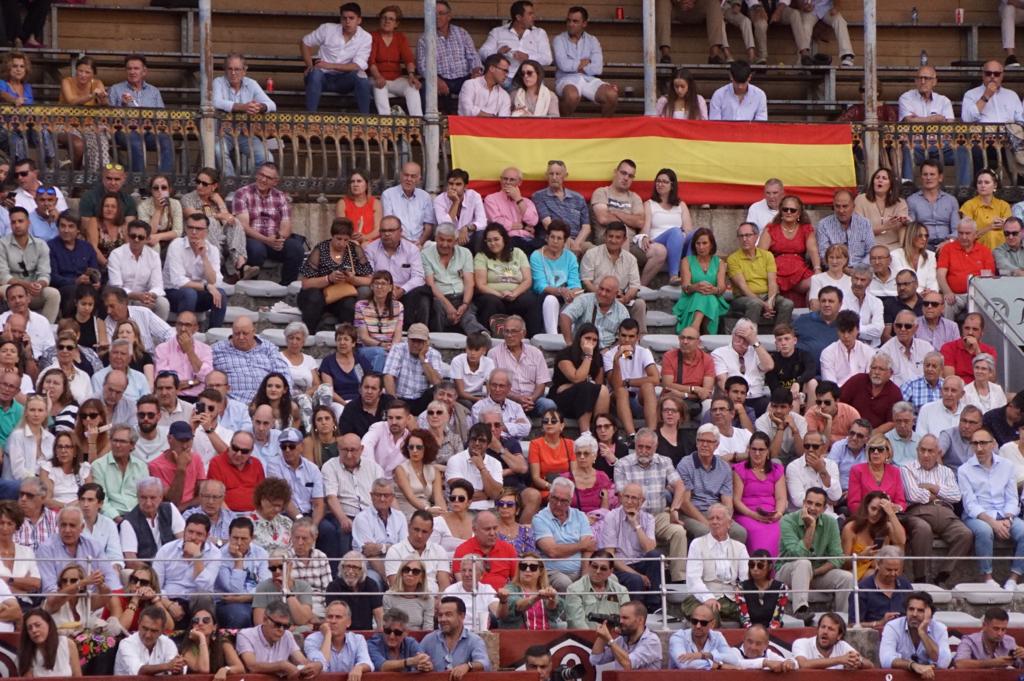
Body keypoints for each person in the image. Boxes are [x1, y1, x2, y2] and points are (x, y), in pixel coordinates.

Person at [958, 427, 1024, 590]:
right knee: (984, 531)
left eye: (983, 443)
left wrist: (1008, 518)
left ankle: (1014, 578)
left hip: (1005, 514)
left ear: (993, 444)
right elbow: (970, 504)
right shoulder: (964, 470)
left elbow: (1012, 498)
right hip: (978, 516)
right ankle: (986, 577)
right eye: (975, 443)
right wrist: (993, 523)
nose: (979, 448)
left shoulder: (1007, 466)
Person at [777, 488, 853, 620]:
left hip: (817, 572)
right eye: (809, 503)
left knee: (846, 577)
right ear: (803, 503)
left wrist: (814, 573)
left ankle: (843, 619)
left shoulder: (830, 523)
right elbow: (798, 554)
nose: (812, 508)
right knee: (803, 563)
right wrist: (811, 527)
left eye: (818, 505)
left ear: (824, 509)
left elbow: (837, 557)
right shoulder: (788, 520)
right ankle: (800, 610)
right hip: (788, 570)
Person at [232, 162, 305, 286]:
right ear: (257, 174)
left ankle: (286, 287)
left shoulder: (280, 196)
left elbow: (286, 224)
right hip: (251, 238)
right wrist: (266, 240)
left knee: (296, 248)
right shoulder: (242, 193)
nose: (263, 179)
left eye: (268, 178)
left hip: (273, 239)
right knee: (257, 250)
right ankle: (249, 286)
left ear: (275, 182)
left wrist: (279, 239)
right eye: (261, 175)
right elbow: (243, 226)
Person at [296, 218, 372, 331]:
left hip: (341, 294)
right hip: (318, 293)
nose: (342, 243)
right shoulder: (321, 249)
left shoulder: (354, 249)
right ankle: (310, 333)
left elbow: (369, 279)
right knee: (314, 297)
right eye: (338, 239)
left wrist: (353, 279)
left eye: (346, 240)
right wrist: (329, 279)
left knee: (349, 304)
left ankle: (347, 335)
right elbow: (306, 283)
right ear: (332, 236)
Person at [681, 503, 748, 625]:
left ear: (729, 523)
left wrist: (742, 592)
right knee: (708, 612)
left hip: (731, 598)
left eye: (719, 518)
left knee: (755, 612)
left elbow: (746, 578)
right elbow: (693, 579)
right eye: (711, 518)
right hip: (702, 597)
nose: (714, 522)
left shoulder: (740, 547)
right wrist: (708, 598)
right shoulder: (697, 544)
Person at [300, 2, 372, 113]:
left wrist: (330, 65)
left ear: (359, 20)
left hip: (344, 80)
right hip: (321, 77)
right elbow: (305, 42)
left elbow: (357, 65)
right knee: (315, 73)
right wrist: (309, 65)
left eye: (351, 18)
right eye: (344, 18)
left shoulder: (366, 37)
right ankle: (310, 118)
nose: (347, 22)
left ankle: (365, 122)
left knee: (362, 77)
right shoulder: (327, 29)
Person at [106, 56, 174, 173]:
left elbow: (162, 116)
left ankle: (162, 180)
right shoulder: (116, 89)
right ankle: (139, 182)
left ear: (144, 71)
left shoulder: (154, 91)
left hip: (149, 131)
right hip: (124, 131)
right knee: (135, 142)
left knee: (166, 141)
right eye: (129, 69)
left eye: (136, 68)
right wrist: (123, 105)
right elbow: (108, 116)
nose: (132, 72)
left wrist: (151, 124)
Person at [180, 167, 249, 281]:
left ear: (214, 186)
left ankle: (240, 264)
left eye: (204, 184)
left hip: (220, 239)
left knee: (235, 222)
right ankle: (220, 265)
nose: (199, 186)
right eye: (198, 182)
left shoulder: (215, 200)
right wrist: (218, 215)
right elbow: (193, 216)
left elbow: (227, 220)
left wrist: (220, 202)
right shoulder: (188, 198)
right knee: (209, 221)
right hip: (197, 236)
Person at [416, 0, 482, 114]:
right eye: (434, 13)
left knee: (479, 85)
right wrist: (436, 80)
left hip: (463, 78)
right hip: (440, 78)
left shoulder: (462, 33)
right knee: (426, 88)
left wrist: (476, 71)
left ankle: (473, 125)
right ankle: (428, 125)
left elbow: (473, 55)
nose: (437, 17)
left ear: (449, 16)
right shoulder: (424, 38)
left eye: (441, 13)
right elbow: (422, 66)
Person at [727, 222, 795, 330]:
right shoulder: (733, 259)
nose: (744, 239)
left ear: (756, 236)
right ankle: (749, 338)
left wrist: (770, 302)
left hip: (767, 296)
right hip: (743, 298)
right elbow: (743, 288)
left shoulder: (767, 255)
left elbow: (772, 282)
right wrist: (764, 305)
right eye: (741, 236)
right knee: (754, 304)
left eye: (748, 235)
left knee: (787, 304)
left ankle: (780, 336)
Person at [553, 7, 618, 116]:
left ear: (584, 24)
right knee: (572, 96)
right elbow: (563, 65)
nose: (570, 24)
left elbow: (597, 68)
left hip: (589, 79)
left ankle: (605, 129)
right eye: (568, 20)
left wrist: (575, 65)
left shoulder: (592, 40)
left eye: (575, 21)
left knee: (611, 94)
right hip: (566, 80)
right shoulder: (559, 39)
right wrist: (582, 63)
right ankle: (563, 128)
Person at [533, 477, 594, 590]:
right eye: (555, 498)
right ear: (549, 496)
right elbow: (552, 551)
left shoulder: (580, 516)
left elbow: (589, 548)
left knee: (610, 579)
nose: (558, 504)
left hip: (580, 571)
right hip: (553, 572)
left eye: (564, 500)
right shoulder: (540, 519)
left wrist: (585, 576)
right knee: (565, 584)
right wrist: (581, 545)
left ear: (570, 501)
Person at [0, 208, 59, 324]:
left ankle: (45, 329)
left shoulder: (41, 245)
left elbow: (45, 274)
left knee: (53, 294)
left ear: (28, 222)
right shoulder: (2, 244)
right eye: (13, 222)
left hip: (33, 292)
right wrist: (25, 285)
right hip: (11, 289)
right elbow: (3, 276)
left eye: (20, 221)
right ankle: (12, 326)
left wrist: (39, 285)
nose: (17, 225)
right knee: (2, 289)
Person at [237, 601, 323, 677]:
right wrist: (281, 665)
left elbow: (302, 661)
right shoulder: (246, 635)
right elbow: (252, 666)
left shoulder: (287, 635)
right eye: (277, 624)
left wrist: (317, 665)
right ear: (264, 619)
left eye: (286, 626)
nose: (281, 630)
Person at [732, 433, 786, 554]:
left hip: (771, 516)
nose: (757, 453)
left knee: (779, 530)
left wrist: (778, 513)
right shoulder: (740, 469)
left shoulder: (776, 469)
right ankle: (758, 570)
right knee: (758, 534)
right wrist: (754, 515)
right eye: (754, 449)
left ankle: (774, 572)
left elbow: (781, 498)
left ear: (768, 451)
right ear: (749, 450)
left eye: (761, 450)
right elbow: (736, 500)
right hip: (747, 514)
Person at [879, 591, 952, 676]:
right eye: (911, 609)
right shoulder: (893, 626)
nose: (914, 614)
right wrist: (912, 665)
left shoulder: (940, 628)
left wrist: (922, 632)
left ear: (929, 613)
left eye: (920, 610)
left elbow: (943, 663)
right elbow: (885, 660)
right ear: (906, 610)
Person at [841, 489, 906, 581]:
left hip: (879, 570)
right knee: (874, 574)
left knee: (898, 547)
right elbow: (843, 564)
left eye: (880, 511)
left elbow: (902, 541)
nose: (876, 514)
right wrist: (861, 556)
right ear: (866, 507)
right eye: (873, 509)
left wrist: (891, 513)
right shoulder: (851, 527)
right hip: (854, 572)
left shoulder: (886, 526)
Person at [531, 221, 583, 335]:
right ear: (547, 238)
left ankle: (570, 339)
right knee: (551, 300)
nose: (555, 241)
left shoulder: (570, 257)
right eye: (552, 237)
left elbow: (575, 283)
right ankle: (553, 337)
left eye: (559, 238)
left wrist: (572, 293)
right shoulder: (537, 256)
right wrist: (560, 291)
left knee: (577, 299)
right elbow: (540, 285)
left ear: (564, 242)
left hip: (565, 297)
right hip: (543, 297)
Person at [937, 219, 995, 322]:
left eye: (967, 233)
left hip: (977, 295)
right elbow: (940, 274)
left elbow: (989, 278)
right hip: (955, 295)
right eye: (961, 233)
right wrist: (947, 292)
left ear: (975, 234)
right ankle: (948, 336)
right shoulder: (948, 248)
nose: (964, 237)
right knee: (947, 303)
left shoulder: (984, 251)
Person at [367, 6, 421, 117]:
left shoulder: (400, 38)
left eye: (391, 19)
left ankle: (418, 121)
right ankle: (387, 123)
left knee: (412, 87)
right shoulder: (373, 36)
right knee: (380, 87)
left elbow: (408, 59)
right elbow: (370, 61)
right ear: (380, 20)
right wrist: (378, 77)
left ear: (396, 24)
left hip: (396, 79)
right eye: (384, 18)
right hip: (376, 78)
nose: (387, 21)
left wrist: (411, 75)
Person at [479, 0, 552, 81]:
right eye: (530, 14)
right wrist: (497, 54)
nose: (533, 16)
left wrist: (528, 57)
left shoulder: (539, 33)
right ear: (518, 17)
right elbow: (482, 52)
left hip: (530, 78)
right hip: (505, 78)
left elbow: (548, 59)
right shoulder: (497, 32)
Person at [674, 227, 728, 333]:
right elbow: (686, 287)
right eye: (697, 243)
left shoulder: (719, 263)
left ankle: (694, 328)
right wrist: (696, 287)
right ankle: (703, 330)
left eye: (704, 243)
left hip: (714, 297)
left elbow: (722, 287)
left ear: (711, 244)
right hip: (691, 298)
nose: (701, 247)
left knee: (709, 297)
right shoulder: (686, 261)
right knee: (701, 295)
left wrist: (714, 290)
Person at [419, 596, 491, 673]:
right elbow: (415, 662)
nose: (443, 619)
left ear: (462, 616)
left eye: (448, 614)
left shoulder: (474, 640)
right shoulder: (429, 639)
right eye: (440, 615)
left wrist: (468, 666)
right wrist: (422, 665)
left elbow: (485, 664)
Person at [496, 552, 565, 629]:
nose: (527, 570)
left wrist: (552, 599)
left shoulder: (546, 588)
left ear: (540, 572)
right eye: (523, 566)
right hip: (520, 637)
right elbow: (517, 605)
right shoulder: (511, 588)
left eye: (533, 567)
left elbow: (552, 610)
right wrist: (537, 597)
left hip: (547, 636)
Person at [559, 275, 630, 349]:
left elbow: (627, 337)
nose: (603, 293)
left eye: (607, 291)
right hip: (581, 349)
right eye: (601, 288)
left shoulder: (622, 312)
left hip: (608, 353)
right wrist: (570, 344)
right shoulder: (584, 300)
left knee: (628, 354)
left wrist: (610, 350)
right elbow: (565, 316)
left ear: (616, 294)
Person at [303, 600, 374, 674]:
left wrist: (360, 667)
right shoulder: (312, 640)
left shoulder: (358, 640)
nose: (333, 621)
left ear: (348, 622)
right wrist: (327, 635)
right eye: (330, 617)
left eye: (338, 617)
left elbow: (367, 663)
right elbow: (320, 668)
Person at [588, 600, 662, 670]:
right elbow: (595, 661)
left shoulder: (652, 641)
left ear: (640, 620)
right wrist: (602, 636)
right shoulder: (622, 640)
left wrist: (609, 639)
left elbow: (628, 664)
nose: (620, 621)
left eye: (625, 618)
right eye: (620, 617)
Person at [850, 546, 912, 628]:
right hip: (874, 637)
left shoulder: (905, 585)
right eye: (889, 570)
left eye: (896, 570)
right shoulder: (862, 589)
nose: (893, 574)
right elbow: (852, 625)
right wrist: (879, 623)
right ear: (878, 564)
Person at [668, 603, 740, 669]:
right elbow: (684, 664)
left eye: (703, 623)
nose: (698, 626)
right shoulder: (678, 637)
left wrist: (705, 655)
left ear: (712, 624)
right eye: (694, 621)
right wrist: (719, 666)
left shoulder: (717, 636)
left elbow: (734, 660)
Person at [114, 606, 182, 675]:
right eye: (145, 628)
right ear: (138, 624)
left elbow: (175, 670)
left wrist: (178, 667)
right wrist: (167, 666)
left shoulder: (168, 643)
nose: (148, 635)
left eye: (154, 631)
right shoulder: (126, 644)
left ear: (162, 630)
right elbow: (139, 672)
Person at [792, 612, 873, 669]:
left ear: (839, 636)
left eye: (830, 629)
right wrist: (840, 660)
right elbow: (804, 665)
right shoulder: (801, 643)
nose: (825, 632)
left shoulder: (842, 645)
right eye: (823, 627)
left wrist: (858, 663)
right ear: (817, 629)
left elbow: (870, 665)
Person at [382, 162, 435, 247]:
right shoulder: (388, 195)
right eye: (406, 175)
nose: (409, 179)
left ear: (419, 178)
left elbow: (428, 226)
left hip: (421, 244)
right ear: (400, 175)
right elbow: (390, 225)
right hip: (397, 243)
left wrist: (420, 242)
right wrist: (408, 244)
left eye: (413, 176)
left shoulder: (425, 197)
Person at [18, 608, 82, 677]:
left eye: (37, 625)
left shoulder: (68, 644)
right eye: (30, 628)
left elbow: (77, 677)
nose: (34, 630)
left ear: (48, 624)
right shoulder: (26, 653)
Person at [954, 606, 1024, 669]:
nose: (1000, 633)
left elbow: (1020, 666)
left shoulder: (1009, 641)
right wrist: (993, 663)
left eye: (1003, 629)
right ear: (984, 626)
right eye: (996, 629)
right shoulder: (969, 641)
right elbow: (959, 664)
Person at [735, 551, 789, 630]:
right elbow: (744, 619)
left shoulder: (781, 588)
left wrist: (766, 635)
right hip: (748, 633)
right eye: (752, 565)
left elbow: (777, 619)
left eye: (760, 566)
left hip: (773, 633)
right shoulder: (741, 587)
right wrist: (755, 634)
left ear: (770, 567)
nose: (755, 569)